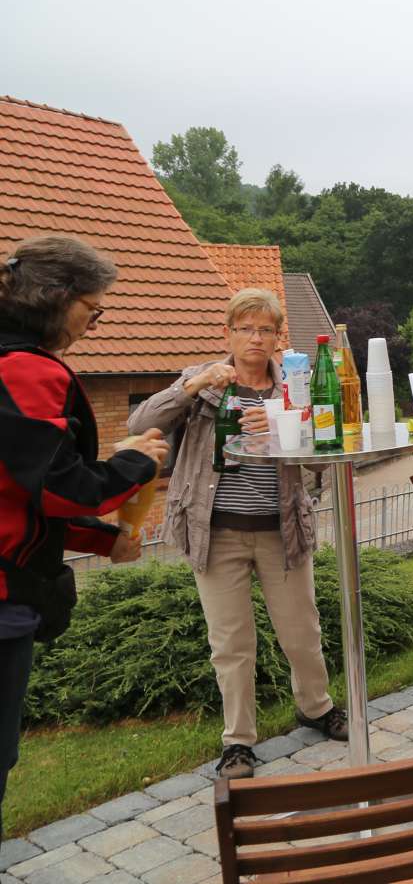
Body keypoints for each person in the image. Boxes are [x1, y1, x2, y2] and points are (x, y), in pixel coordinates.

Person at [131, 287, 347, 779]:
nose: (255, 337)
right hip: (217, 534)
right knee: (231, 642)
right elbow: (139, 421)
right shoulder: (204, 384)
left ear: (277, 338)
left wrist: (280, 425)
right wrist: (190, 387)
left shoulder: (295, 386)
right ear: (227, 333)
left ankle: (315, 708)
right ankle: (238, 742)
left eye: (265, 329)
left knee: (302, 632)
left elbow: (322, 457)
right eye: (245, 328)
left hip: (282, 532)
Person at [0, 236, 164, 827]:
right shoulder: (22, 371)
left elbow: (18, 495)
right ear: (56, 297)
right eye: (93, 310)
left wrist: (103, 540)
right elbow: (60, 486)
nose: (96, 323)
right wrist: (138, 463)